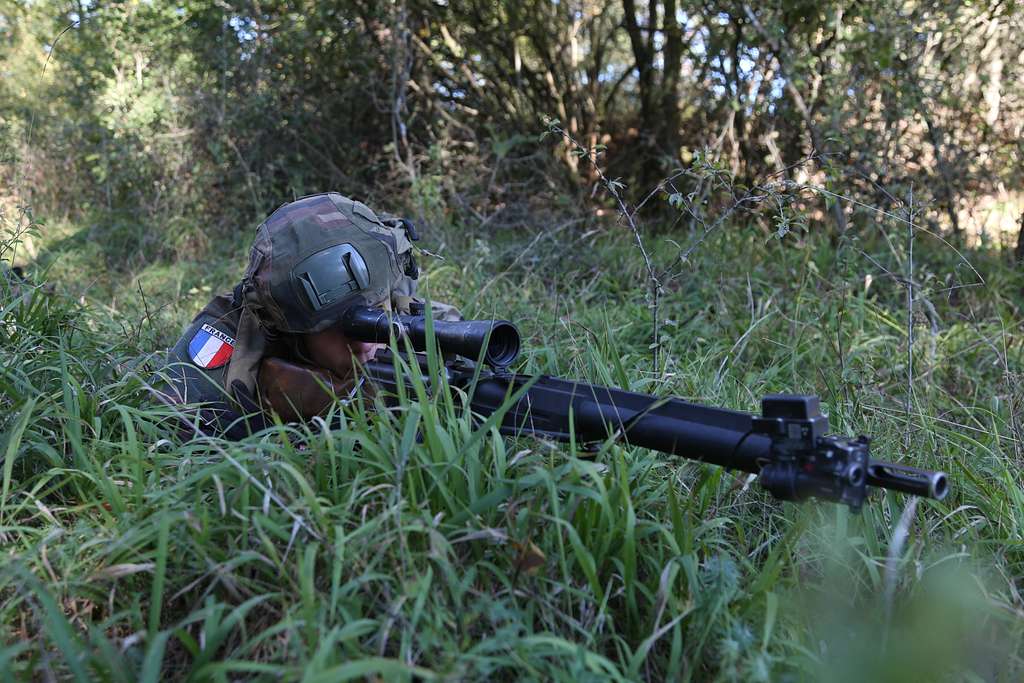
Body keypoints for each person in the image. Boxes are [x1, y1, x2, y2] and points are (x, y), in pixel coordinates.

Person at [150, 192, 459, 439]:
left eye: (376, 315)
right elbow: (165, 420)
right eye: (344, 328)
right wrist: (294, 432)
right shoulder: (237, 332)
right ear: (291, 328)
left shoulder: (402, 302)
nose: (364, 344)